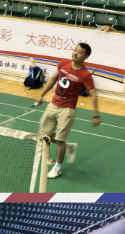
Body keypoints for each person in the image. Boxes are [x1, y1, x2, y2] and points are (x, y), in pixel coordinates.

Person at [33, 42, 100, 180]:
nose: (75, 53)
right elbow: (53, 79)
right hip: (53, 104)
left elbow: (93, 94)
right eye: (75, 50)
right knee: (44, 135)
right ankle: (69, 146)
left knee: (60, 140)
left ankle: (57, 167)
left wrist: (96, 115)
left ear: (86, 56)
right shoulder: (64, 64)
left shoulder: (85, 75)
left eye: (80, 52)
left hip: (67, 110)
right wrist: (41, 95)